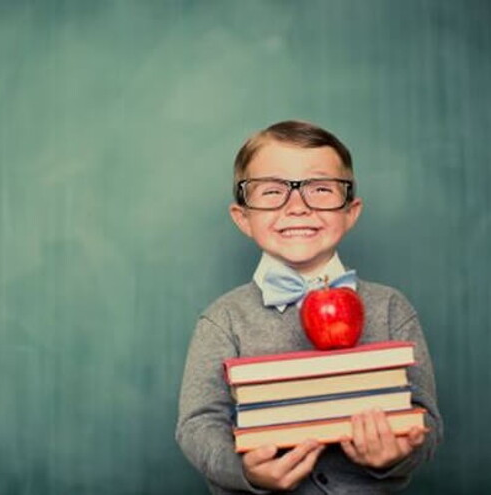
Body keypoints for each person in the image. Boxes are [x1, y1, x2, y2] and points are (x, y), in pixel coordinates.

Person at [175, 120, 443, 494]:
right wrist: (247, 472)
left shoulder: (391, 309)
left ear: (350, 212)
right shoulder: (223, 320)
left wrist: (396, 454)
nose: (297, 206)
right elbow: (198, 424)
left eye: (320, 189)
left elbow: (425, 419)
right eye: (271, 191)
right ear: (243, 218)